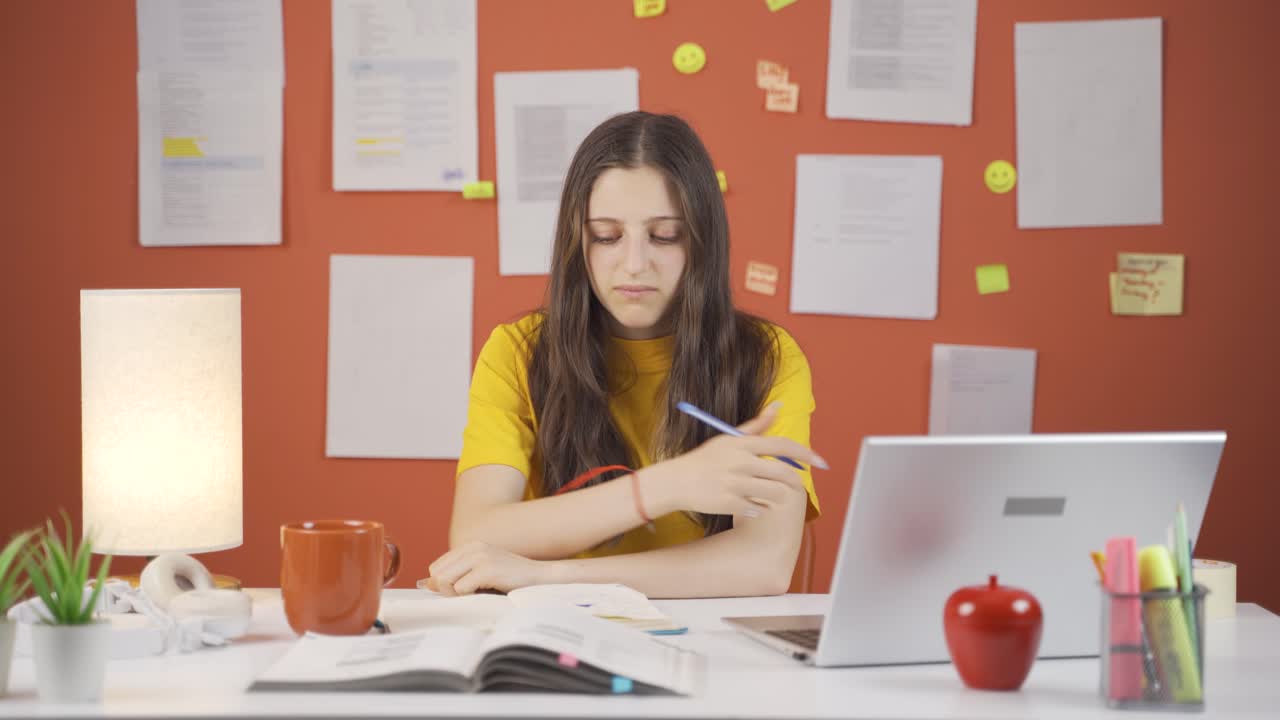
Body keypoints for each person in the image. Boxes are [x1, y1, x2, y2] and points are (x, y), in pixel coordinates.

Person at [424, 111, 826, 599]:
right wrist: (665, 487)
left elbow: (762, 564)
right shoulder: (517, 352)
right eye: (607, 237)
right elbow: (475, 534)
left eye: (665, 236)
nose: (634, 265)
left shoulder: (766, 359)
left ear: (702, 242)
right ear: (578, 241)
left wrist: (547, 575)